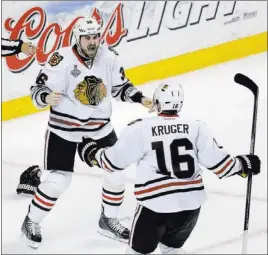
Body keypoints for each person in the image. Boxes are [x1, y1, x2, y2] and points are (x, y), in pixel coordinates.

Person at [77, 82, 261, 254]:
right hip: (190, 209)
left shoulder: (140, 128)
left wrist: (92, 153)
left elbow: (112, 162)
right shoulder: (196, 127)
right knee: (171, 249)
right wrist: (243, 164)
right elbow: (221, 165)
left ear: (157, 103)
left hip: (155, 209)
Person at [20, 17, 153, 249]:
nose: (92, 42)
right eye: (87, 37)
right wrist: (45, 97)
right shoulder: (60, 60)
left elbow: (121, 87)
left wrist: (141, 98)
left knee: (116, 172)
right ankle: (30, 222)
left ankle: (108, 220)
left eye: (95, 37)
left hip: (99, 128)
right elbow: (37, 89)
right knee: (58, 181)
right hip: (64, 130)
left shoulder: (108, 56)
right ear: (77, 38)